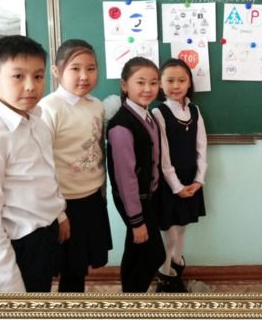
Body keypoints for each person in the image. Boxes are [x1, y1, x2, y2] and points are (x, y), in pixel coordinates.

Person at [0, 35, 69, 292]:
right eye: (18, 76)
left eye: (38, 76)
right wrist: (9, 285)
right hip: (14, 246)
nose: (31, 86)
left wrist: (59, 214)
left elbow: (46, 174)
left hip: (44, 234)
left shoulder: (37, 119)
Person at [39, 39, 113, 292]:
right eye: (75, 68)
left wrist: (102, 195)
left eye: (91, 68)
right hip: (62, 204)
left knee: (79, 268)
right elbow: (42, 165)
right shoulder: (49, 108)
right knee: (60, 267)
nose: (84, 76)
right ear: (56, 71)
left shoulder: (96, 106)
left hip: (91, 200)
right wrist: (59, 214)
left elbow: (98, 152)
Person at [106, 56, 166, 292]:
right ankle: (134, 298)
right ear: (124, 85)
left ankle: (128, 297)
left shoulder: (147, 115)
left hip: (146, 198)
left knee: (135, 250)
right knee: (155, 254)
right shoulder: (122, 126)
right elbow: (125, 178)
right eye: (140, 82)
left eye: (154, 82)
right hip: (134, 201)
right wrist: (136, 220)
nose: (148, 89)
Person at [151, 58, 207, 292]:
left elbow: (202, 147)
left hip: (191, 179)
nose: (176, 85)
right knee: (170, 233)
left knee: (182, 227)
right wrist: (177, 186)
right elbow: (162, 156)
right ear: (160, 84)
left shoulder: (195, 110)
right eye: (170, 80)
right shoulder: (159, 112)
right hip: (169, 182)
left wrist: (199, 179)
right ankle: (165, 277)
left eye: (182, 80)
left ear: (189, 83)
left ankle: (176, 270)